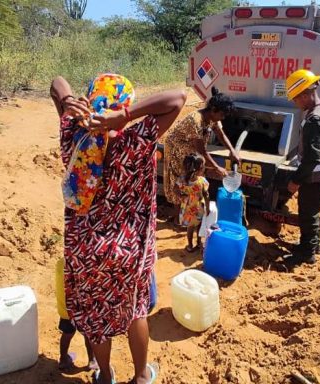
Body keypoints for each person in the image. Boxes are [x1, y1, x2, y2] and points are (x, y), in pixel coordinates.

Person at [51, 73, 186, 384]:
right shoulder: (136, 140)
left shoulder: (74, 134)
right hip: (128, 250)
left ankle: (104, 376)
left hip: (85, 250)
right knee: (136, 311)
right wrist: (123, 117)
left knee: (97, 318)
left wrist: (72, 104)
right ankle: (140, 376)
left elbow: (57, 83)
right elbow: (178, 98)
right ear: (122, 105)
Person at [283, 69, 320, 267]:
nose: (295, 103)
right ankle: (312, 245)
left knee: (308, 215)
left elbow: (312, 158)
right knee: (311, 212)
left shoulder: (314, 121)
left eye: (296, 99)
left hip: (316, 177)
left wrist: (296, 180)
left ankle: (306, 254)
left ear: (306, 95)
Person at [162, 87, 240, 214]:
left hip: (191, 150)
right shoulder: (195, 120)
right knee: (179, 179)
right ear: (213, 110)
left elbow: (221, 134)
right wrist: (217, 168)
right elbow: (201, 151)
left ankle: (190, 211)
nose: (223, 118)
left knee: (194, 178)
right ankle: (177, 217)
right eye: (222, 114)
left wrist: (232, 151)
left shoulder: (212, 118)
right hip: (176, 149)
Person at [55, 257, 96, 372]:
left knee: (67, 333)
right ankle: (92, 361)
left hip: (65, 310)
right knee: (88, 336)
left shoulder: (60, 263)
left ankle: (63, 359)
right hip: (82, 311)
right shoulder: (84, 265)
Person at [177, 153, 210, 252]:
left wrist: (181, 195)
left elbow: (175, 189)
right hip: (199, 207)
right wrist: (208, 208)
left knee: (190, 228)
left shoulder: (182, 179)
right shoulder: (202, 181)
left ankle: (190, 246)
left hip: (187, 208)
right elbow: (206, 195)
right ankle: (199, 243)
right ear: (200, 169)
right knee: (199, 225)